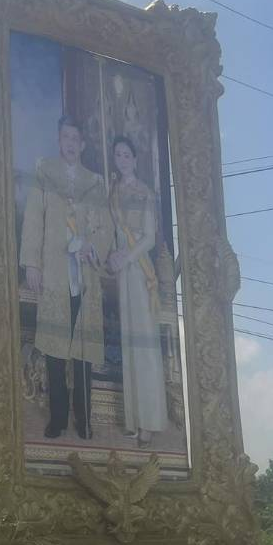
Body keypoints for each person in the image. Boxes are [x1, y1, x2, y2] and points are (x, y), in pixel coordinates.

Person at [19, 115, 111, 440]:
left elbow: (106, 226)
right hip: (56, 271)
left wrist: (92, 246)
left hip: (84, 272)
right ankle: (58, 418)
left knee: (83, 351)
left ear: (82, 144)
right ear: (59, 141)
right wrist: (32, 263)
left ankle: (84, 420)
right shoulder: (45, 171)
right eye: (65, 138)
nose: (70, 144)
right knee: (56, 349)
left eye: (75, 139)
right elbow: (33, 217)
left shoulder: (95, 182)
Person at [106, 134, 168, 445]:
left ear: (135, 158)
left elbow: (149, 238)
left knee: (145, 348)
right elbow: (112, 231)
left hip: (141, 272)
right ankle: (133, 420)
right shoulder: (113, 191)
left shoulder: (145, 193)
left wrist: (124, 257)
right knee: (130, 345)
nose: (122, 160)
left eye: (126, 155)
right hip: (122, 274)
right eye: (117, 155)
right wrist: (112, 255)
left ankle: (150, 422)